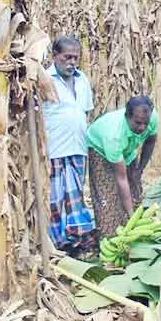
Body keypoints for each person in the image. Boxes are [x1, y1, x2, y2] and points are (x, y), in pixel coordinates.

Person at [43, 35, 96, 257]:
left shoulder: (82, 80)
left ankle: (78, 237)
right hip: (54, 148)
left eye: (76, 58)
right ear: (55, 56)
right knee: (55, 198)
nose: (72, 62)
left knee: (75, 195)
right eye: (67, 57)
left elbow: (84, 111)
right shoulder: (45, 79)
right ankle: (57, 240)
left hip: (77, 146)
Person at [86, 96, 159, 238]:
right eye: (138, 123)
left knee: (135, 189)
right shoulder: (114, 135)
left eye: (145, 123)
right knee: (107, 196)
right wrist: (131, 215)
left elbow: (150, 141)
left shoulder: (151, 117)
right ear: (127, 117)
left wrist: (140, 169)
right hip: (100, 149)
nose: (142, 127)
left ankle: (135, 232)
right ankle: (110, 237)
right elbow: (121, 178)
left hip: (127, 149)